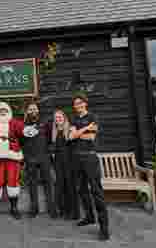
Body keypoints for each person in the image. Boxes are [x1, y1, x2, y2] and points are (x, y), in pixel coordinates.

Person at [68, 93, 110, 241]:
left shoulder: (93, 117)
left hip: (90, 157)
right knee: (82, 189)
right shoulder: (73, 119)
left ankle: (104, 227)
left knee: (96, 191)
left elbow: (91, 137)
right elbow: (70, 137)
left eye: (80, 103)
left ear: (85, 103)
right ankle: (90, 216)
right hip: (77, 158)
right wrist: (85, 128)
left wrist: (78, 132)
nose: (78, 105)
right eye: (75, 103)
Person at [22, 102, 56, 219]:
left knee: (48, 183)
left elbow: (51, 138)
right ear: (27, 112)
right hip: (30, 158)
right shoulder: (24, 125)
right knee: (32, 184)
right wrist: (25, 156)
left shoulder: (45, 123)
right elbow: (22, 142)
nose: (33, 111)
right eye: (30, 109)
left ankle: (52, 209)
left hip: (44, 158)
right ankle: (34, 209)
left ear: (38, 111)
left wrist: (49, 151)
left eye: (34, 109)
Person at [51, 109, 79, 220]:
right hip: (58, 162)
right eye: (56, 118)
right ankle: (63, 210)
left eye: (60, 117)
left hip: (69, 161)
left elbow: (74, 142)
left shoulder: (70, 128)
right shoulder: (55, 131)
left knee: (70, 186)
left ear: (64, 117)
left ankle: (74, 212)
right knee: (60, 185)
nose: (58, 119)